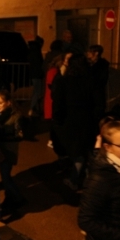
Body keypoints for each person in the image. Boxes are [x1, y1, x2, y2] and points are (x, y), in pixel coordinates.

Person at [51, 54, 95, 190]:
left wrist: (57, 121)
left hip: (70, 122)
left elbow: (58, 103)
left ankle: (74, 179)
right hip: (87, 121)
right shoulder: (90, 81)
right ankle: (86, 179)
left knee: (77, 153)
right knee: (84, 151)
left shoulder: (65, 81)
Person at [0, 90, 25, 213]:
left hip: (9, 150)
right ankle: (9, 198)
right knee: (5, 176)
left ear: (8, 103)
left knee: (6, 177)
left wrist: (3, 133)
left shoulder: (15, 116)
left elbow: (20, 135)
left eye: (1, 103)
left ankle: (19, 199)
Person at [87, 44, 109, 129]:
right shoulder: (87, 64)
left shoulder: (102, 65)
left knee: (97, 116)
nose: (87, 53)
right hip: (89, 95)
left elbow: (102, 80)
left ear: (96, 53)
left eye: (90, 51)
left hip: (97, 95)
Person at [27, 36, 44, 117]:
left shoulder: (31, 49)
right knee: (37, 92)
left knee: (36, 92)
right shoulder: (37, 51)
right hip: (37, 73)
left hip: (33, 73)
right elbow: (39, 63)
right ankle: (31, 108)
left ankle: (34, 108)